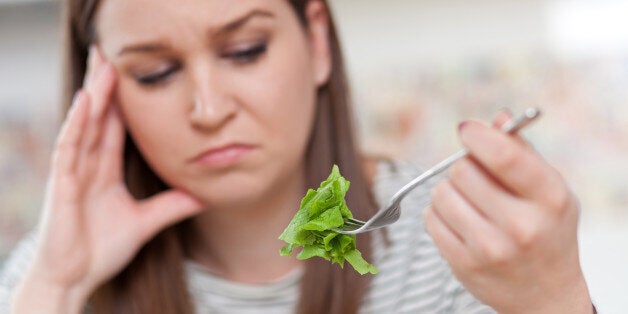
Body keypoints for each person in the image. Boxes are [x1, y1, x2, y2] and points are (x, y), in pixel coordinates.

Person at [0, 0, 595, 313]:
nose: (208, 108)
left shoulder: (458, 247)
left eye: (245, 50)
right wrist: (59, 282)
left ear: (315, 41)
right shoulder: (50, 273)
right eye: (155, 73)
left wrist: (554, 302)